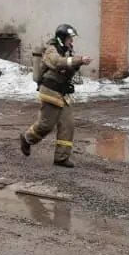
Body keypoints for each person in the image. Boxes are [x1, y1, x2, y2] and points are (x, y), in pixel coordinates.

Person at [20, 24, 92, 168]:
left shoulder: (67, 51)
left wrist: (77, 65)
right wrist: (78, 60)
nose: (71, 41)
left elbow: (67, 70)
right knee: (46, 126)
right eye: (69, 39)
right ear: (61, 38)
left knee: (68, 124)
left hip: (62, 93)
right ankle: (27, 139)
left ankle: (61, 158)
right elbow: (58, 63)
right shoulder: (50, 50)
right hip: (50, 92)